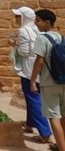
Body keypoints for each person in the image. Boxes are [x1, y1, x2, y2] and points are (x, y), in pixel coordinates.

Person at [9, 7, 52, 144]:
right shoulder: (36, 29)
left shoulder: (23, 31)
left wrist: (14, 44)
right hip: (41, 70)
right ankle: (30, 123)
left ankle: (45, 133)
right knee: (31, 98)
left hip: (29, 70)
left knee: (33, 99)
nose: (15, 19)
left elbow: (24, 52)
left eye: (17, 16)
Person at [30, 8, 65, 151]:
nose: (36, 23)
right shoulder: (61, 37)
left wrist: (33, 80)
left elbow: (39, 60)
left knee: (53, 116)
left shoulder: (42, 38)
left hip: (49, 82)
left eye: (38, 20)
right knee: (63, 115)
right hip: (63, 80)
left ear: (47, 22)